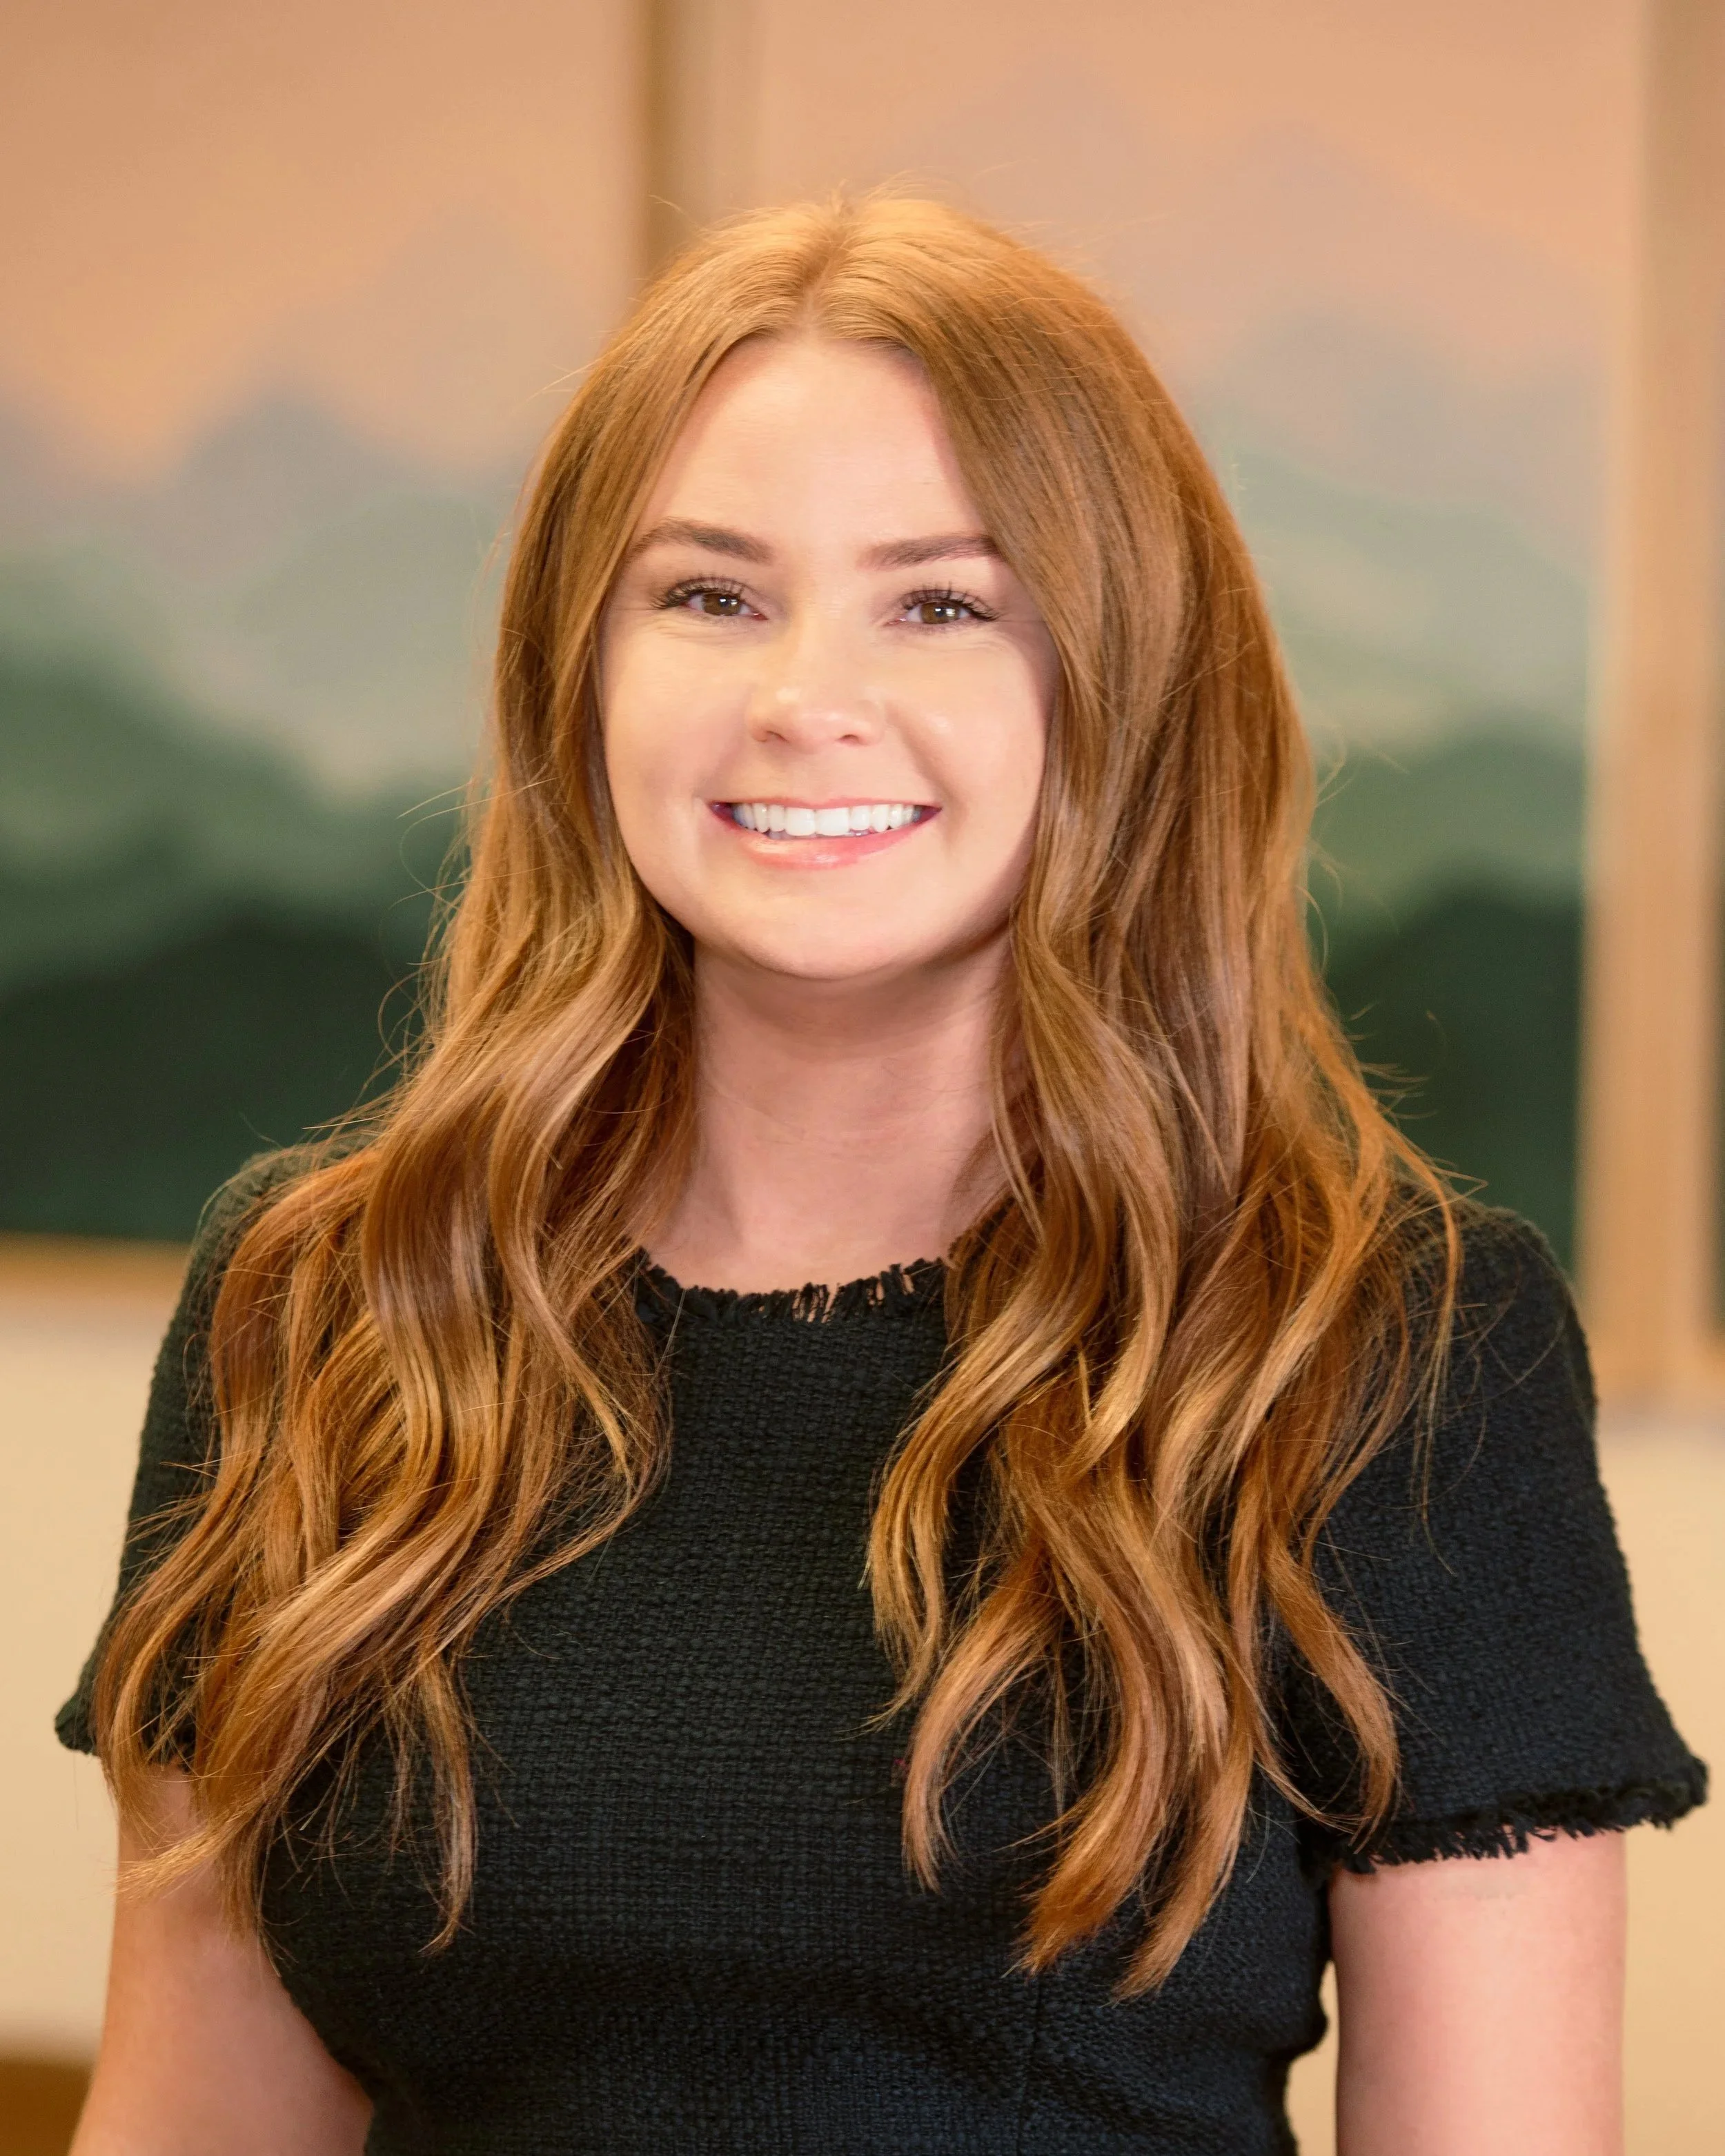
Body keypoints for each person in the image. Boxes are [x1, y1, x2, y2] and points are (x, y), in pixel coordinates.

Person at [60, 197, 1703, 2156]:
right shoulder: (316, 1303)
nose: (801, 696)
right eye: (706, 594)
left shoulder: (1382, 1341)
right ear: (572, 671)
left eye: (940, 601)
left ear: (1119, 679)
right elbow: (194, 2124)